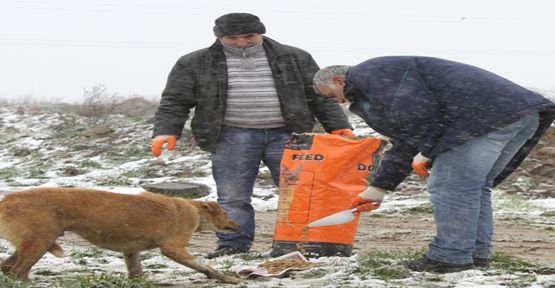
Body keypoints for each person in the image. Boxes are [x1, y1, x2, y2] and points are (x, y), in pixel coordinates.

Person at [313, 56, 555, 272]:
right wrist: (378, 188)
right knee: (472, 187)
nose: (341, 103)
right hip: (518, 114)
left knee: (451, 186)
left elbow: (420, 112)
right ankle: (474, 253)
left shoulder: (373, 74)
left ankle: (451, 256)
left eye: (332, 96)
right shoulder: (378, 81)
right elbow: (406, 140)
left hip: (483, 117)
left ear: (338, 80)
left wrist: (427, 152)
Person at [151, 12, 353, 258]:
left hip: (289, 135)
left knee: (300, 193)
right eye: (232, 38)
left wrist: (338, 125)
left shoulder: (294, 57)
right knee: (233, 196)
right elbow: (175, 100)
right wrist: (166, 131)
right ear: (220, 37)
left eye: (249, 36)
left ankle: (305, 243)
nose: (241, 42)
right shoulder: (194, 62)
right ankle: (233, 245)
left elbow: (319, 95)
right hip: (230, 136)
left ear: (261, 32)